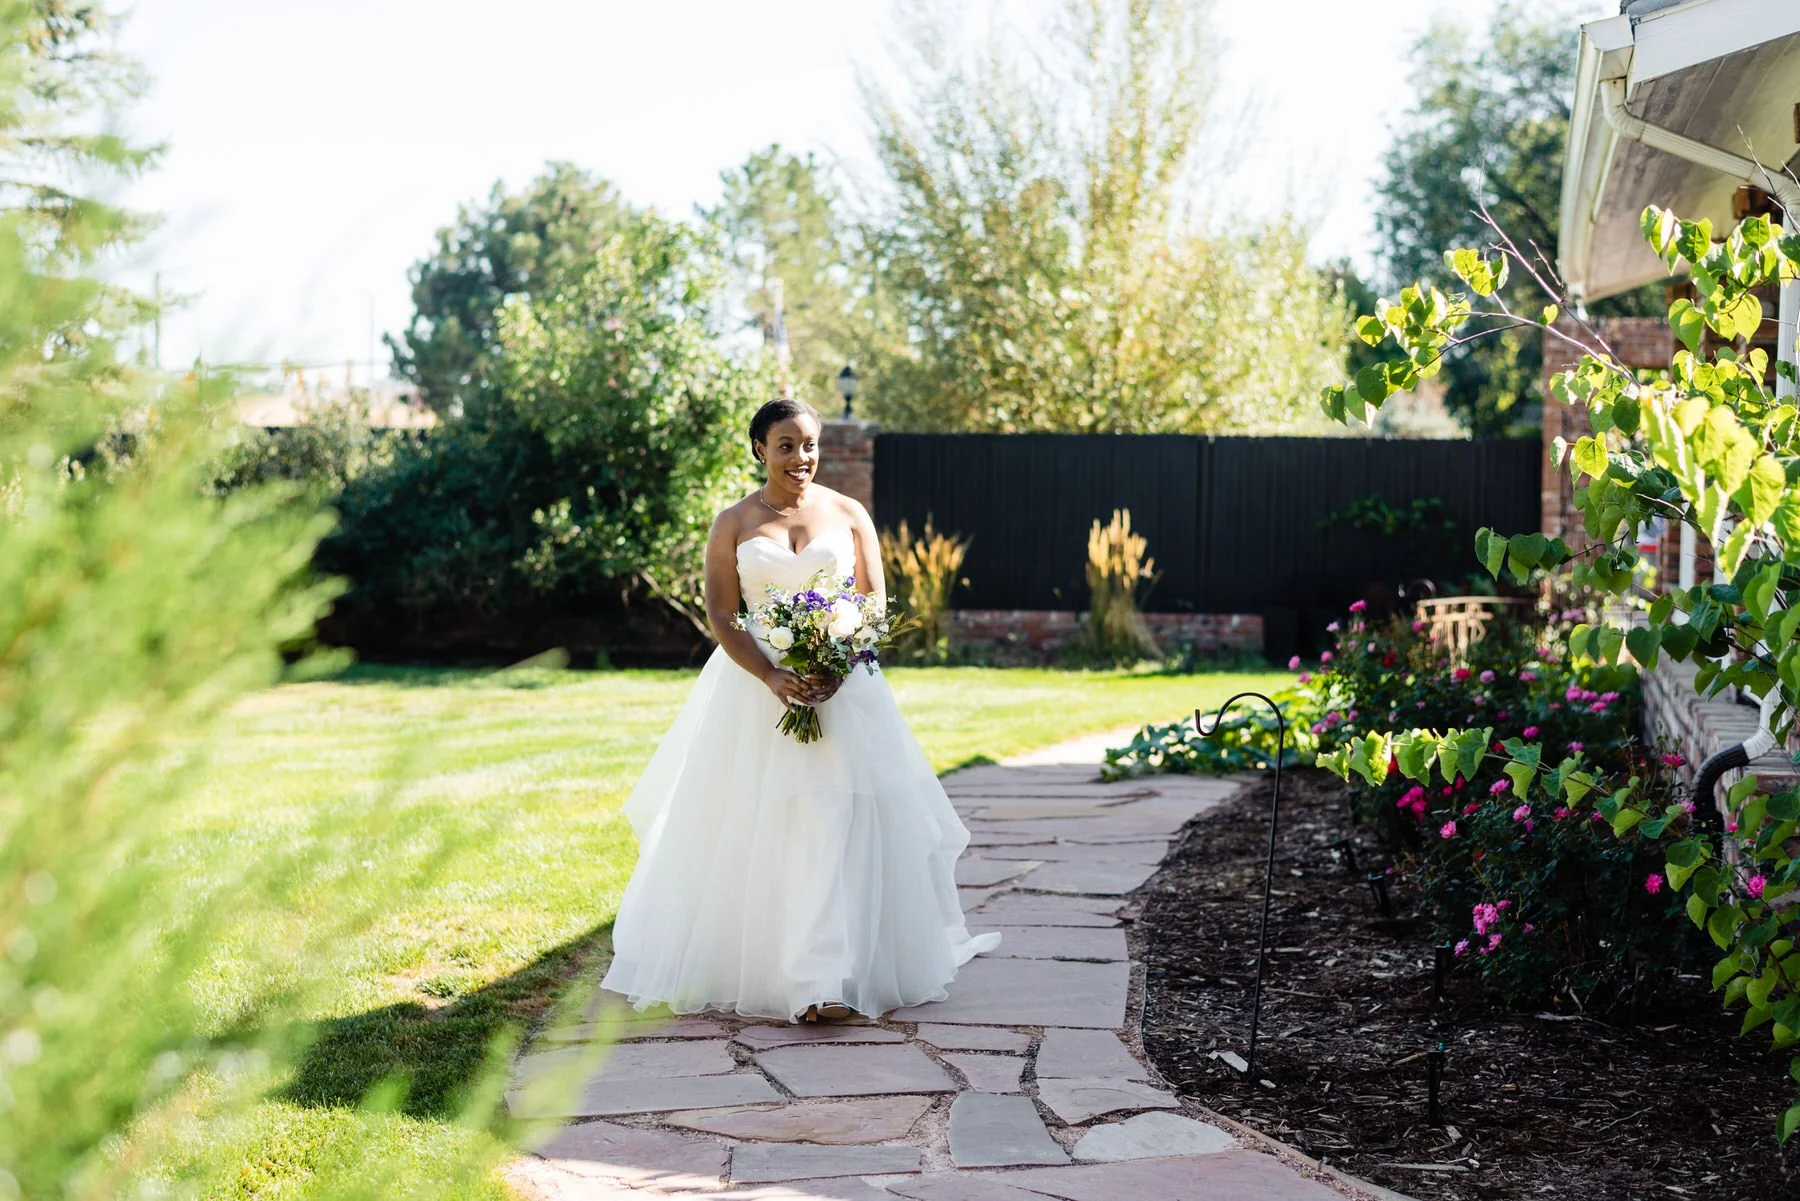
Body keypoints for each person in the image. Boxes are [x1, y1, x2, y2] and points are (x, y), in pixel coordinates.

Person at [600, 398, 1000, 1022]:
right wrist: (770, 674)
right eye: (786, 445)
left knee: (835, 822)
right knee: (766, 827)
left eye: (809, 444)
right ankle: (793, 974)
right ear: (760, 448)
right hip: (756, 695)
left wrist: (838, 663)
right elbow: (723, 615)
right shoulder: (732, 523)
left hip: (844, 687)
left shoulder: (848, 512)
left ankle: (825, 981)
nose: (801, 457)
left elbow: (872, 603)